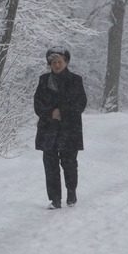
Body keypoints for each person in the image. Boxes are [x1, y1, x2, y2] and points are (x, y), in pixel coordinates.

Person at [34, 46, 87, 209]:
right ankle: (55, 199)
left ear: (66, 62)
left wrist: (62, 111)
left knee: (69, 162)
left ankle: (71, 191)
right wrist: (50, 113)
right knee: (50, 165)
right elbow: (37, 104)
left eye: (59, 62)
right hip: (48, 128)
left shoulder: (75, 80)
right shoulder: (43, 80)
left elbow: (81, 103)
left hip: (70, 128)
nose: (56, 65)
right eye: (53, 62)